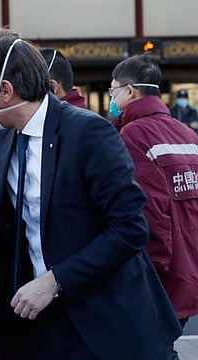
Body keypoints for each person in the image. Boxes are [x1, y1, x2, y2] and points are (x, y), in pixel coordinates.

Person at [0, 28, 181, 360]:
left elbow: (129, 230)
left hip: (104, 320)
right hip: (37, 324)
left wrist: (54, 281)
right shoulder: (1, 141)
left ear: (5, 91)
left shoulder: (89, 133)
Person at [109, 54, 198, 358]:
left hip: (159, 278)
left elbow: (147, 213)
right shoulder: (187, 134)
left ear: (129, 91)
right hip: (189, 268)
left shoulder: (134, 135)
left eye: (113, 91)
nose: (112, 99)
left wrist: (147, 277)